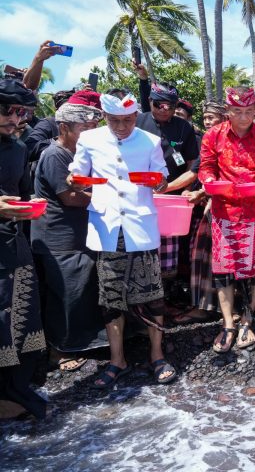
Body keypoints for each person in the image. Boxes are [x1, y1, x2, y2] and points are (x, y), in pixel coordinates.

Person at [67, 91, 176, 388]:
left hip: (140, 226)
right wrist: (75, 180)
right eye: (115, 120)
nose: (122, 127)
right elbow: (76, 173)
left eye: (127, 120)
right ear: (104, 116)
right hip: (108, 226)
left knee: (152, 295)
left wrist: (158, 181)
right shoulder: (89, 140)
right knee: (111, 299)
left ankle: (157, 355)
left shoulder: (149, 140)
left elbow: (163, 177)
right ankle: (118, 360)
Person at [198, 86, 255, 353]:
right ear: (228, 111)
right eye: (237, 112)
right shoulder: (213, 135)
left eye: (248, 112)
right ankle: (227, 323)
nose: (244, 118)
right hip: (225, 212)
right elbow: (206, 166)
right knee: (224, 270)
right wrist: (209, 181)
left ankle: (248, 318)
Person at [32, 102, 106, 372]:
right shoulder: (55, 155)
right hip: (58, 237)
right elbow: (70, 196)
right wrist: (109, 199)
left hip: (80, 233)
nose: (92, 133)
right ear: (64, 128)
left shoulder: (82, 153)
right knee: (67, 294)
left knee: (85, 289)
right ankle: (59, 350)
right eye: (85, 128)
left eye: (94, 128)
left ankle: (85, 342)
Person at [0, 79, 47, 419]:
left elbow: (23, 196)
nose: (15, 123)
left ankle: (17, 384)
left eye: (21, 115)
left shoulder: (16, 150)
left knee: (21, 311)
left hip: (12, 243)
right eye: (8, 114)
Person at [135, 66, 199, 285]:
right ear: (150, 102)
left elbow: (193, 166)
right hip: (139, 195)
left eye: (169, 106)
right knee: (142, 249)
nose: (164, 109)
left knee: (170, 253)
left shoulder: (184, 128)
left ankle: (166, 302)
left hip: (171, 197)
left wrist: (181, 190)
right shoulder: (137, 123)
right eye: (158, 105)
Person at [172, 101, 229, 325]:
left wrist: (203, 193)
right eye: (205, 117)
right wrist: (167, 188)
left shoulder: (228, 139)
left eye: (212, 117)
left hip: (227, 206)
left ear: (224, 118)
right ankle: (205, 307)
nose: (207, 122)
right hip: (212, 203)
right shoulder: (208, 139)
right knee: (202, 257)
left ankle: (226, 310)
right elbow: (197, 171)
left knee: (217, 258)